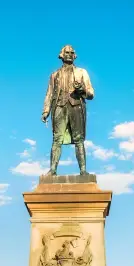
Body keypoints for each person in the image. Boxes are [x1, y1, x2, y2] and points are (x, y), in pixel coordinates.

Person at [41, 45, 95, 175]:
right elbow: (49, 93)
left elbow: (91, 93)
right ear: (62, 55)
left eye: (72, 52)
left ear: (74, 56)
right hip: (59, 106)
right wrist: (45, 111)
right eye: (67, 52)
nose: (70, 54)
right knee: (56, 139)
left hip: (76, 106)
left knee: (79, 139)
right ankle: (53, 169)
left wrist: (81, 90)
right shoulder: (54, 75)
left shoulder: (82, 72)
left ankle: (83, 171)